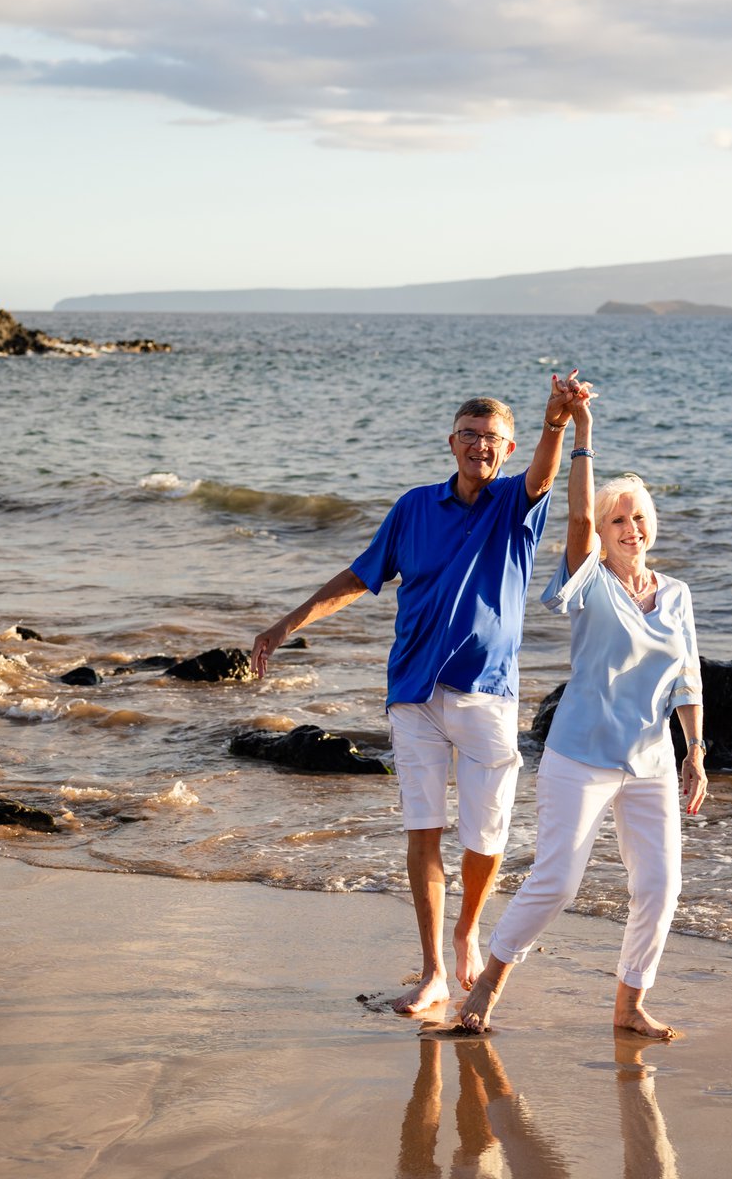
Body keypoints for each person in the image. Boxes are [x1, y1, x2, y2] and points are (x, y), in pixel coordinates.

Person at [252, 379, 575, 1014]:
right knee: (422, 831)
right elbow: (359, 575)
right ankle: (432, 971)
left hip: (487, 693)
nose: (479, 446)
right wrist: (286, 624)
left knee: (486, 836)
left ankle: (468, 929)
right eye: (468, 435)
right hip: (413, 693)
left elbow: (543, 475)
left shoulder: (517, 503)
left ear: (506, 449)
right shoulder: (413, 508)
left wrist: (555, 424)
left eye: (491, 439)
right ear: (451, 442)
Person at [456, 378, 709, 1039]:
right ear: (601, 531)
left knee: (660, 886)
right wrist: (584, 432)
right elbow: (573, 519)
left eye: (638, 517)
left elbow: (688, 677)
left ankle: (629, 1007)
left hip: (651, 759)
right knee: (558, 882)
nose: (631, 529)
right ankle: (488, 985)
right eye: (617, 519)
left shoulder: (676, 594)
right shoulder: (588, 579)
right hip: (580, 755)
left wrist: (696, 753)